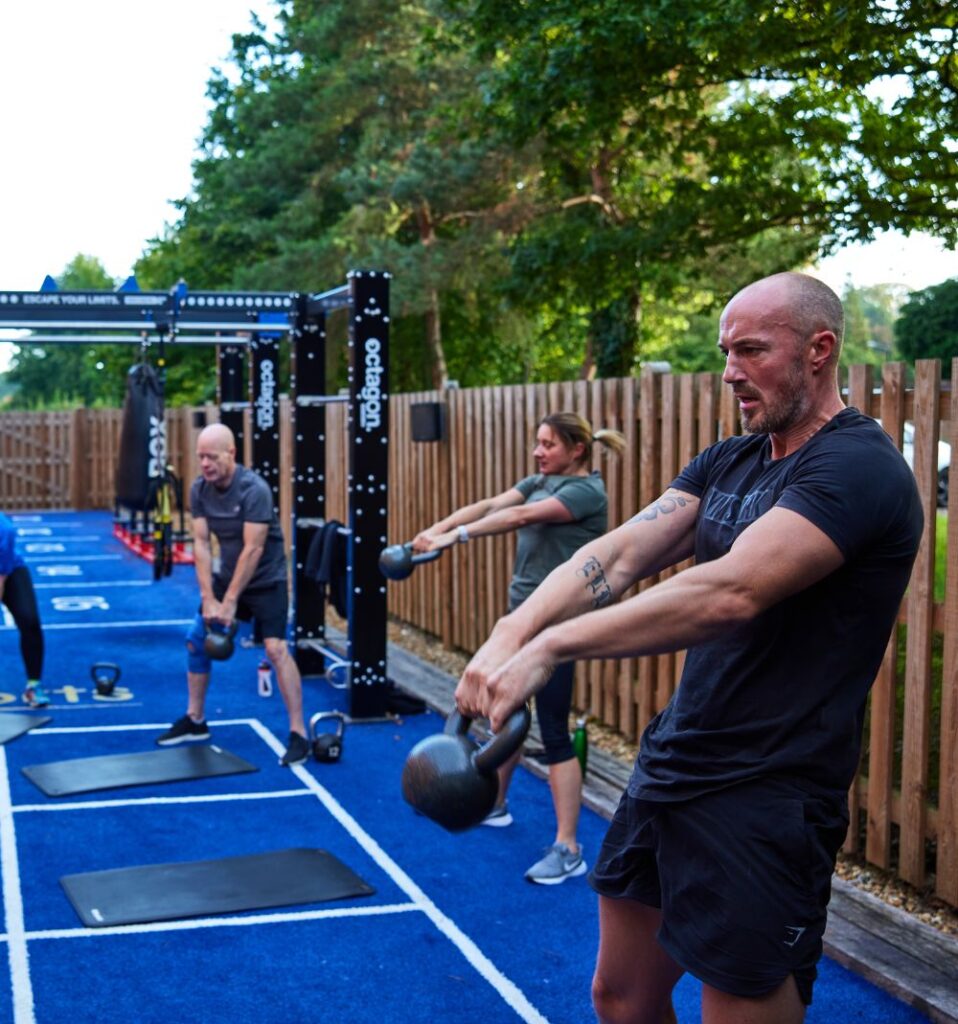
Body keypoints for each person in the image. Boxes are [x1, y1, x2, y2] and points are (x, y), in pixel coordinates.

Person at [453, 272, 923, 1023]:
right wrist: (514, 631)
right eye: (725, 351)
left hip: (769, 791)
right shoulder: (730, 460)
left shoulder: (858, 466)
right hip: (674, 763)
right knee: (620, 997)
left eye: (752, 350)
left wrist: (551, 647)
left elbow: (728, 591)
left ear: (819, 350)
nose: (730, 370)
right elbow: (619, 554)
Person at [412, 412, 626, 884]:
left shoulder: (586, 492)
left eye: (548, 444)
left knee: (552, 729)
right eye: (537, 442)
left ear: (577, 450)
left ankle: (568, 848)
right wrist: (435, 532)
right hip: (522, 619)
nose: (537, 452)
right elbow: (492, 503)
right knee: (504, 712)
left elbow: (519, 516)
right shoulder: (541, 480)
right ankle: (496, 803)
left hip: (558, 628)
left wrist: (455, 536)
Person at [156, 423, 309, 766]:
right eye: (201, 457)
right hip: (227, 578)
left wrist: (229, 603)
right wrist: (209, 598)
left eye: (212, 457)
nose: (205, 464)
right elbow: (200, 544)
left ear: (231, 454)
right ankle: (195, 720)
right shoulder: (199, 489)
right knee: (196, 640)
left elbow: (253, 550)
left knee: (276, 649)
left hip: (266, 579)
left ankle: (299, 734)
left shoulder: (254, 490)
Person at [0, 512, 49, 708]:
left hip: (9, 571)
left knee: (29, 621)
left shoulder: (4, 529)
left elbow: (1, 577)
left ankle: (34, 685)